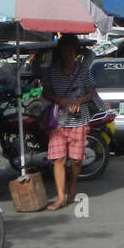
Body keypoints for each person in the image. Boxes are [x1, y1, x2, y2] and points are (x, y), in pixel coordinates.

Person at [40, 33, 97, 210]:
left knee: (75, 161)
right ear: (60, 52)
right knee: (58, 159)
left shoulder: (84, 71)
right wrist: (58, 100)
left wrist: (79, 101)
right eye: (64, 50)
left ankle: (72, 189)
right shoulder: (51, 71)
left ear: (75, 52)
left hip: (79, 122)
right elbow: (45, 92)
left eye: (71, 50)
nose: (67, 54)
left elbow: (91, 92)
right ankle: (60, 197)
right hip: (58, 122)